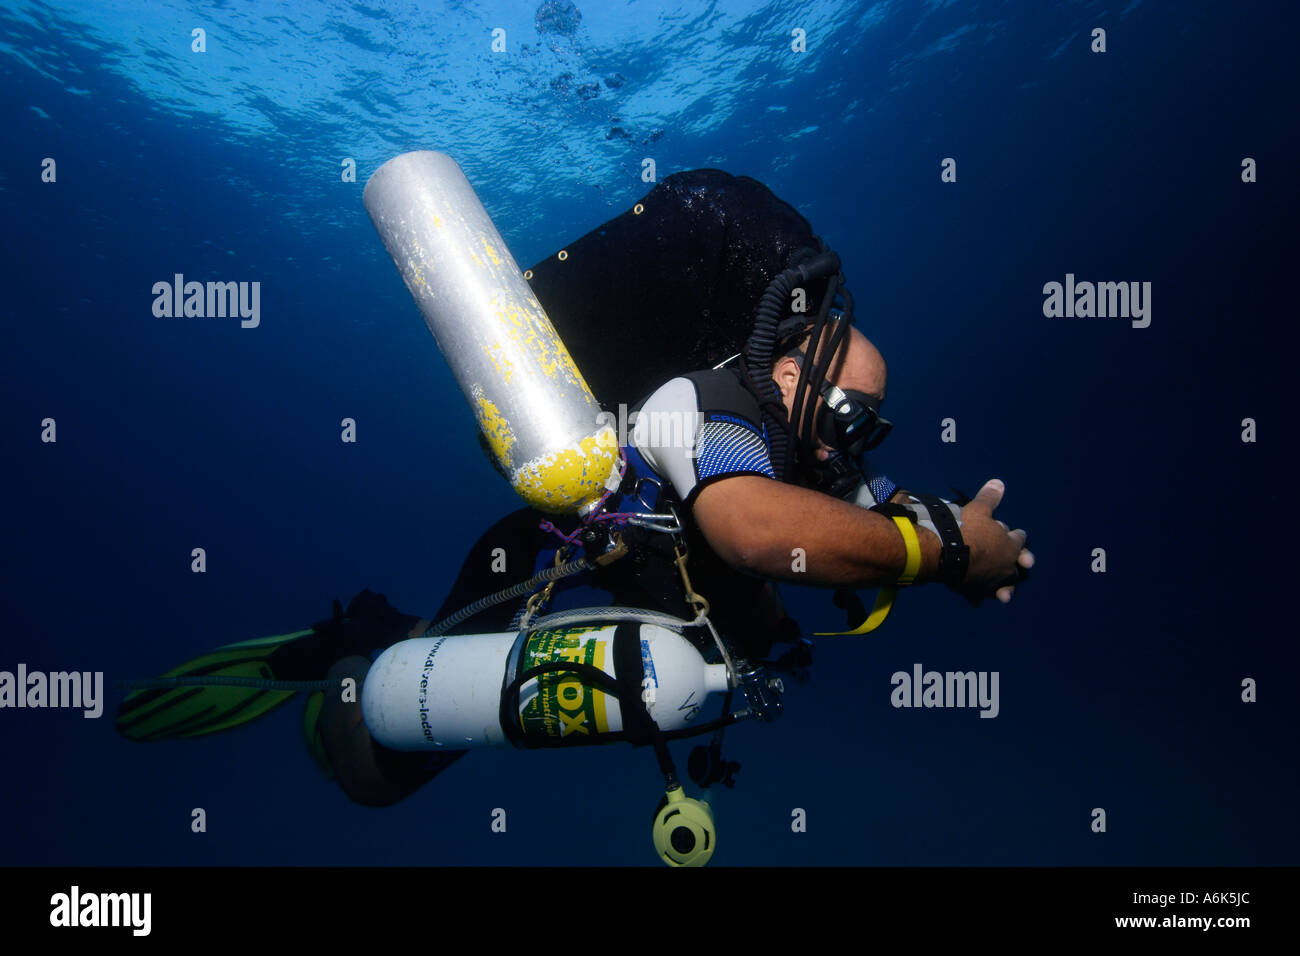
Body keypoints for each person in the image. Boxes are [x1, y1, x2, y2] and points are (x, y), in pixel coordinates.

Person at [116, 171, 1032, 809]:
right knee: (382, 768)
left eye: (868, 426)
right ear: (787, 379)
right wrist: (939, 554)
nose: (851, 446)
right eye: (846, 414)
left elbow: (850, 504)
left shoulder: (800, 438)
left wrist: (944, 520)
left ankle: (379, 645)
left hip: (641, 577)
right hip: (548, 557)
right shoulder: (708, 404)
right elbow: (750, 527)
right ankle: (340, 647)